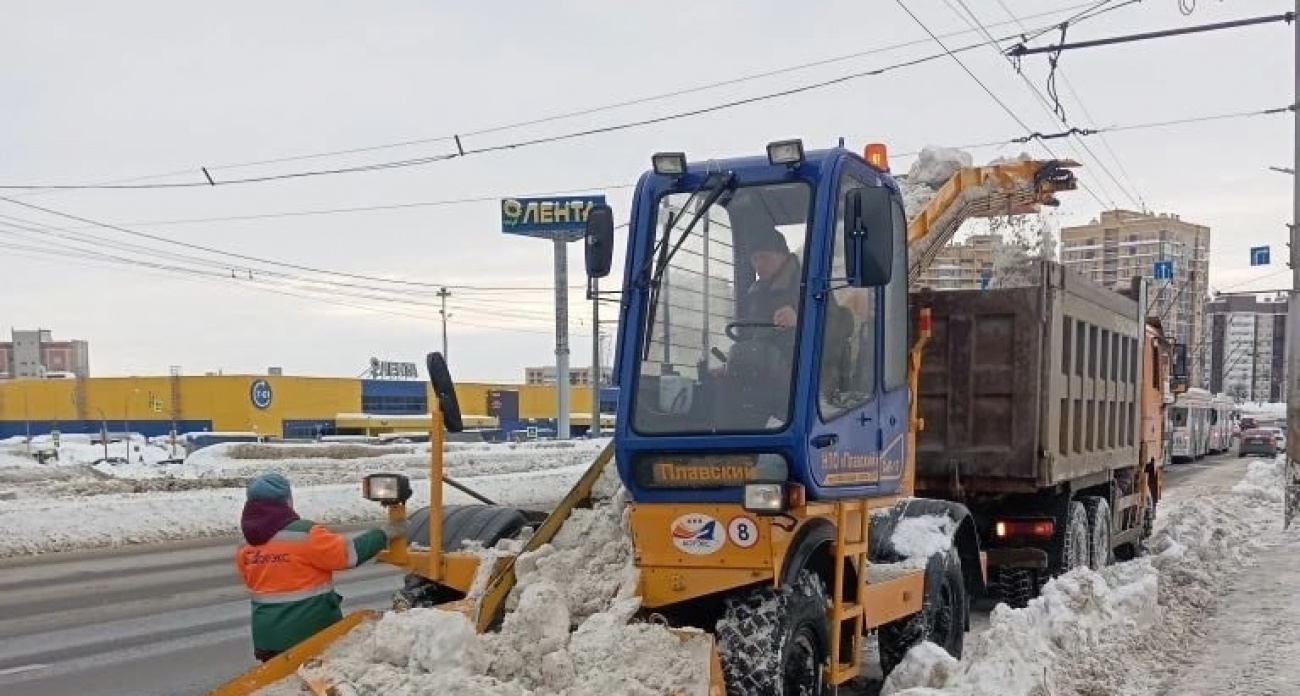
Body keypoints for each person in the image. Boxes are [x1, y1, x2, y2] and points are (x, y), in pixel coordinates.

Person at [235, 472, 406, 662]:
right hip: (308, 634)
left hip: (267, 638)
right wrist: (385, 534)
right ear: (287, 502)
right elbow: (348, 554)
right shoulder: (305, 534)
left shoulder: (245, 543)